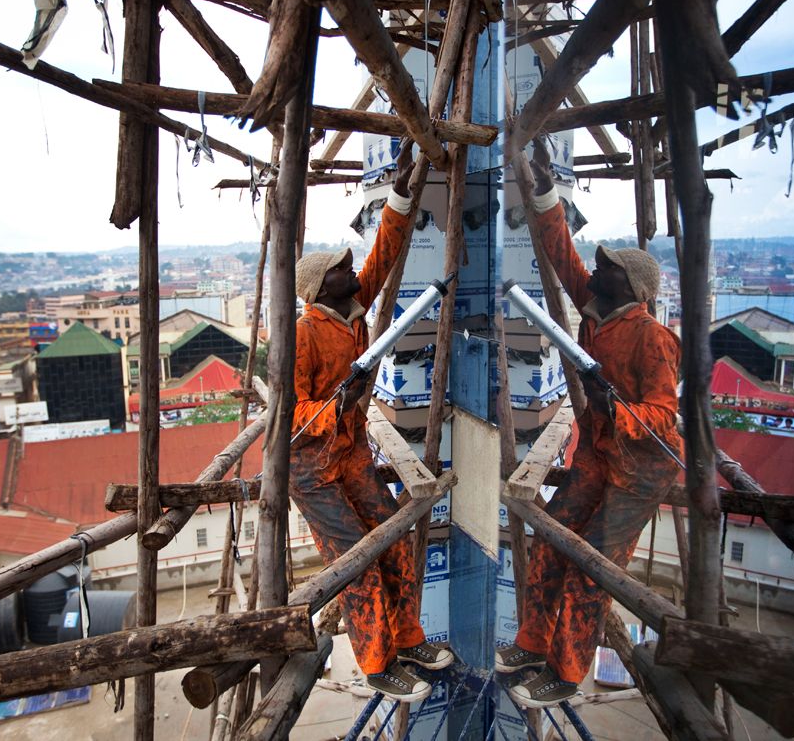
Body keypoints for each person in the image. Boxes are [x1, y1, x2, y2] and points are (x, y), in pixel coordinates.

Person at [497, 138, 683, 708]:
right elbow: (560, 253)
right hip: (599, 455)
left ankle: (567, 671)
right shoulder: (599, 310)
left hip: (640, 472)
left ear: (633, 288)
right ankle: (532, 644)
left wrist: (614, 402)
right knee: (554, 541)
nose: (594, 271)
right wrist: (543, 187)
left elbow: (663, 416)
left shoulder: (651, 336)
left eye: (607, 268)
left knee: (591, 569)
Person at [291, 138, 453, 702]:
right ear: (320, 288)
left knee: (394, 538)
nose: (351, 271)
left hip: (351, 452)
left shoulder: (350, 314)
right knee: (355, 561)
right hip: (311, 469)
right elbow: (288, 419)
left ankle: (408, 638)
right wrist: (340, 400)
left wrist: (401, 197)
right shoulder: (304, 333)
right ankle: (379, 661)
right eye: (340, 270)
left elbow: (384, 252)